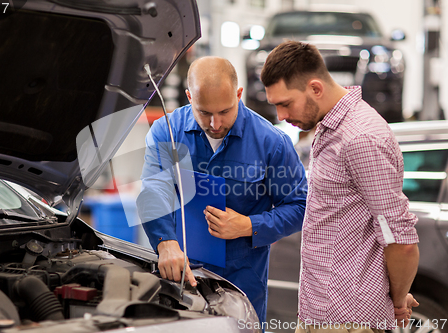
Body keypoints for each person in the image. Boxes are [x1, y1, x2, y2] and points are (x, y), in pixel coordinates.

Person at [260, 41, 419, 332]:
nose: (280, 116)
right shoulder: (329, 126)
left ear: (316, 89)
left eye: (285, 103)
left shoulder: (360, 139)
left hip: (349, 321)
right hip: (320, 314)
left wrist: (396, 301)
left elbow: (401, 240)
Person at [136, 56, 307, 324]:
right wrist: (165, 242)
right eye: (204, 112)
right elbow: (153, 190)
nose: (215, 124)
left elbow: (299, 206)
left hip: (242, 280)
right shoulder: (166, 132)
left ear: (239, 95)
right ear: (189, 96)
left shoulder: (271, 143)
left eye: (225, 111)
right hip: (181, 274)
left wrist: (249, 225)